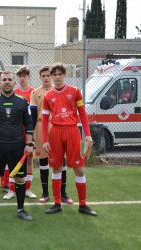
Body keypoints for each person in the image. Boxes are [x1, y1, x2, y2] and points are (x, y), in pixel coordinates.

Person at [42, 63, 97, 216]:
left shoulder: (75, 92)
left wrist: (88, 135)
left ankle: (83, 204)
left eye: (60, 74)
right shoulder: (48, 96)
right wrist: (44, 140)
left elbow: (83, 113)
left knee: (78, 168)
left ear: (64, 75)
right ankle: (57, 203)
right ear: (51, 77)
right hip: (56, 133)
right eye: (55, 74)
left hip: (72, 131)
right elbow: (45, 119)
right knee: (57, 167)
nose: (57, 77)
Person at [0, 71, 34, 221]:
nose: (7, 82)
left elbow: (28, 123)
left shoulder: (23, 102)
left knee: (19, 178)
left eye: (10, 79)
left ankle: (21, 209)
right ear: (0, 82)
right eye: (4, 80)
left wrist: (29, 143)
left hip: (17, 146)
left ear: (14, 82)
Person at [30, 66, 73, 204]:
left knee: (61, 160)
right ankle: (45, 193)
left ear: (52, 76)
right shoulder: (35, 93)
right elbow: (32, 114)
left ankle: (63, 193)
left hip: (57, 127)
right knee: (43, 160)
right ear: (40, 77)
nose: (46, 78)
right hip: (40, 126)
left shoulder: (59, 91)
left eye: (48, 75)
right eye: (43, 76)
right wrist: (31, 133)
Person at [4, 66, 36, 200]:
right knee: (11, 160)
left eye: (25, 75)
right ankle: (11, 189)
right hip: (14, 132)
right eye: (20, 76)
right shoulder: (13, 92)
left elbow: (35, 115)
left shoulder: (33, 93)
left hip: (29, 132)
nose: (22, 78)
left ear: (29, 77)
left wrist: (33, 133)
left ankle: (27, 189)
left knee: (29, 159)